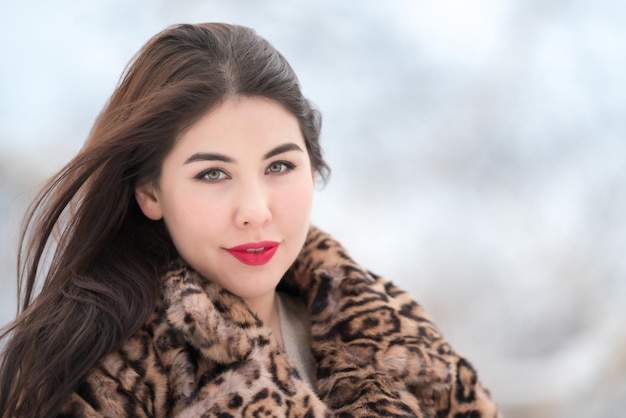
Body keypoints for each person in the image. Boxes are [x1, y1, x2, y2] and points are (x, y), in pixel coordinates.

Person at [0, 23, 501, 417]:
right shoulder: (99, 376)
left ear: (313, 167)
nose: (255, 211)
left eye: (279, 166)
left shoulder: (400, 336)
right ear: (150, 192)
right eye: (213, 174)